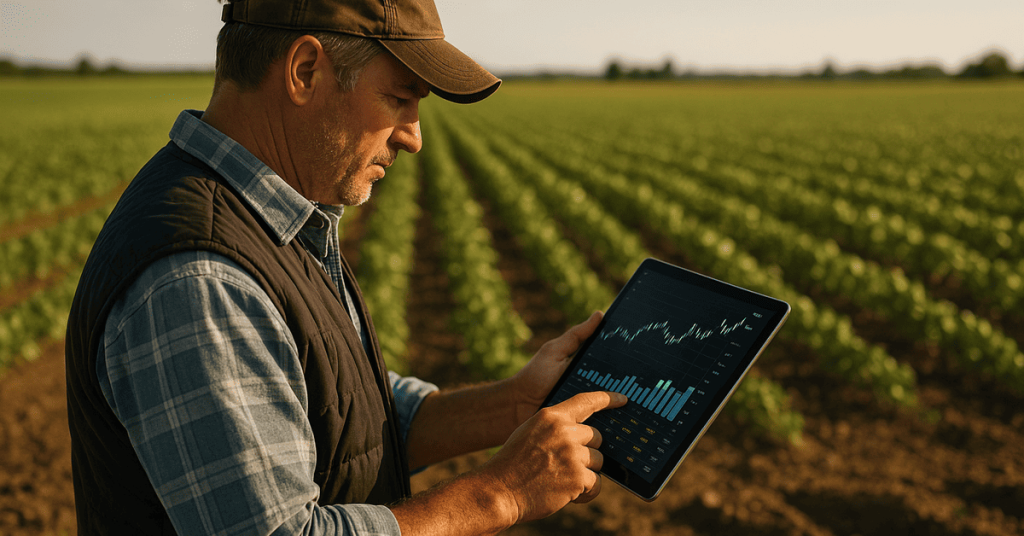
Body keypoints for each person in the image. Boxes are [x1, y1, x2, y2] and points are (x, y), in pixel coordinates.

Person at [65, 0, 627, 534]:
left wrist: (513, 405)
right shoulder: (201, 278)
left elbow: (345, 422)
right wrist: (501, 494)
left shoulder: (272, 218)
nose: (413, 136)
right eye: (400, 98)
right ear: (305, 70)